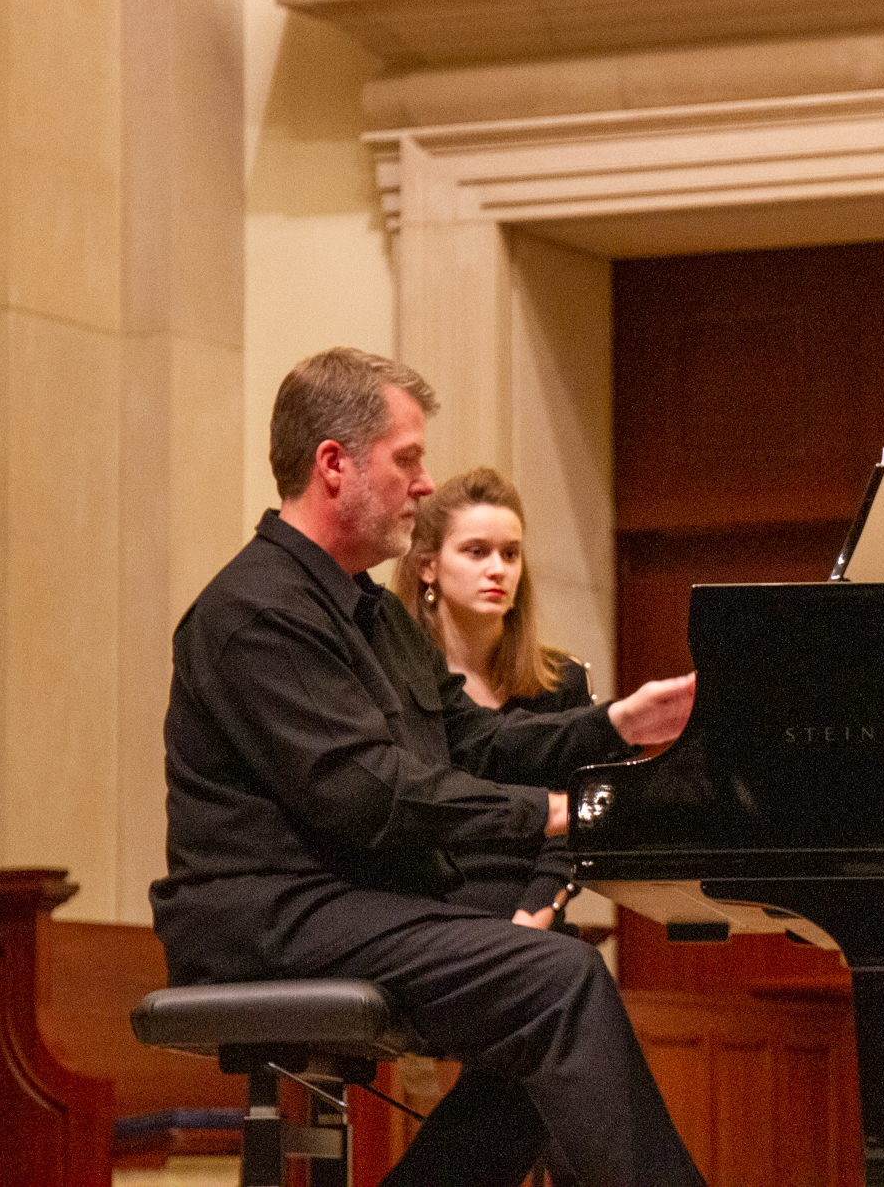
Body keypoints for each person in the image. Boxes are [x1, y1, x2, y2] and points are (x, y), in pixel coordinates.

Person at [150, 347, 706, 1187]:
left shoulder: (370, 609)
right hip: (267, 916)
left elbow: (472, 741)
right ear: (333, 464)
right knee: (557, 985)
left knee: (556, 992)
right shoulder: (253, 612)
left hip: (346, 892)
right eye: (407, 458)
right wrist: (551, 815)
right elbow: (367, 794)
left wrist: (613, 723)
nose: (423, 482)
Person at [393, 466, 592, 932]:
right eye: (476, 552)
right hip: (426, 911)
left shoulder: (562, 681)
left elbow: (576, 822)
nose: (497, 569)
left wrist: (530, 921)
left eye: (510, 553)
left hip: (531, 913)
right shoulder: (397, 676)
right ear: (428, 566)